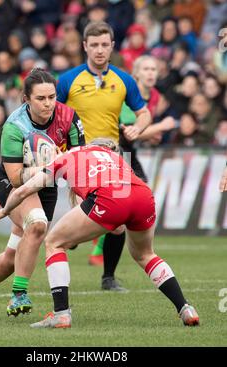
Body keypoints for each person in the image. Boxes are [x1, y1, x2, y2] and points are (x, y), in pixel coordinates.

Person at [0, 137, 200, 329]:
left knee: (54, 242)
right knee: (146, 255)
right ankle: (185, 308)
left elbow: (22, 191)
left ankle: (61, 314)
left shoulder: (66, 157)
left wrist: (5, 209)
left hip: (109, 198)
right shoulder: (114, 157)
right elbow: (117, 224)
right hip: (143, 195)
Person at [0, 68, 85, 319]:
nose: (48, 104)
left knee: (14, 256)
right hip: (13, 183)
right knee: (38, 224)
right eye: (40, 98)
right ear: (26, 99)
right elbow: (15, 176)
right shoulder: (14, 126)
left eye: (52, 97)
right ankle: (19, 293)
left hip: (47, 184)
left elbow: (79, 165)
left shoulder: (69, 118)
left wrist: (82, 204)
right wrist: (48, 166)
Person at [56, 21, 152, 291]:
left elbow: (144, 112)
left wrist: (137, 127)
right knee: (88, 217)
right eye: (94, 45)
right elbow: (53, 113)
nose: (99, 50)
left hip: (114, 156)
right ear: (85, 46)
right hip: (80, 156)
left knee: (119, 223)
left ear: (112, 46)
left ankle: (108, 277)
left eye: (104, 45)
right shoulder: (68, 80)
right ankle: (71, 235)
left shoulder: (124, 80)